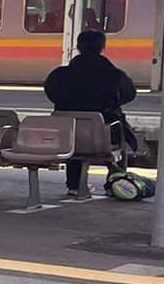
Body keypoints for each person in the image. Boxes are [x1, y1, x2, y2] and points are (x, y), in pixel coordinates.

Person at [43, 29, 137, 199]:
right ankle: (114, 182)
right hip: (104, 136)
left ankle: (73, 185)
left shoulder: (59, 75)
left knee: (73, 131)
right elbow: (130, 93)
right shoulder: (114, 76)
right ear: (103, 47)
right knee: (119, 130)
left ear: (78, 47)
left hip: (67, 136)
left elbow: (50, 92)